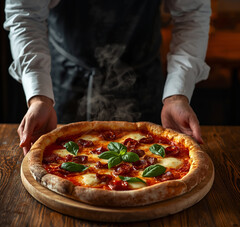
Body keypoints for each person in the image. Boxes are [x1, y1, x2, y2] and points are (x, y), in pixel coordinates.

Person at [4, 0, 211, 155]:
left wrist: (177, 95)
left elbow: (191, 15)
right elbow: (26, 14)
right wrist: (39, 96)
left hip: (144, 77)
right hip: (67, 78)